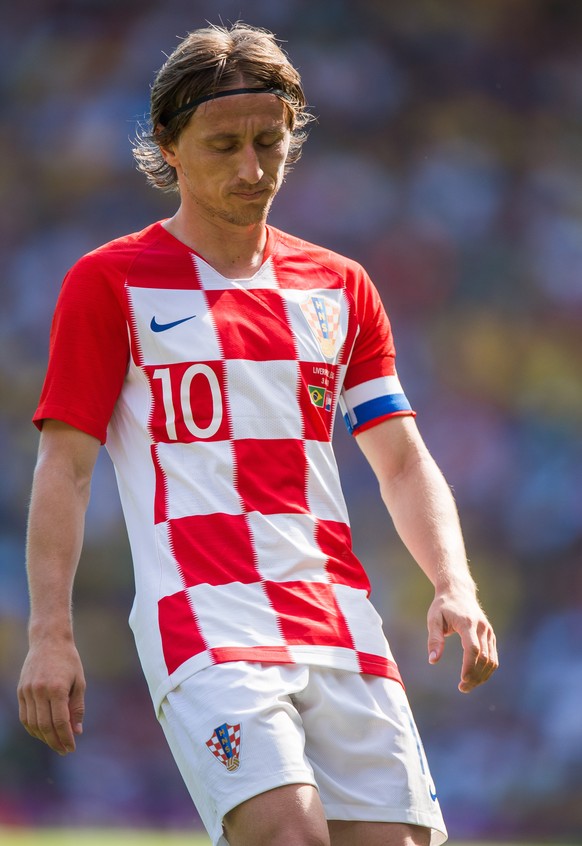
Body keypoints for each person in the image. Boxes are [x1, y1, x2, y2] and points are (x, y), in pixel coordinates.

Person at [17, 22, 498, 846]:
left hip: (337, 614)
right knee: (288, 836)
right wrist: (49, 635)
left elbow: (401, 460)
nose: (251, 169)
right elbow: (65, 469)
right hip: (203, 618)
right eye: (224, 145)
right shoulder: (110, 282)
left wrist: (455, 583)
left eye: (270, 142)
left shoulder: (340, 286)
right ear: (169, 145)